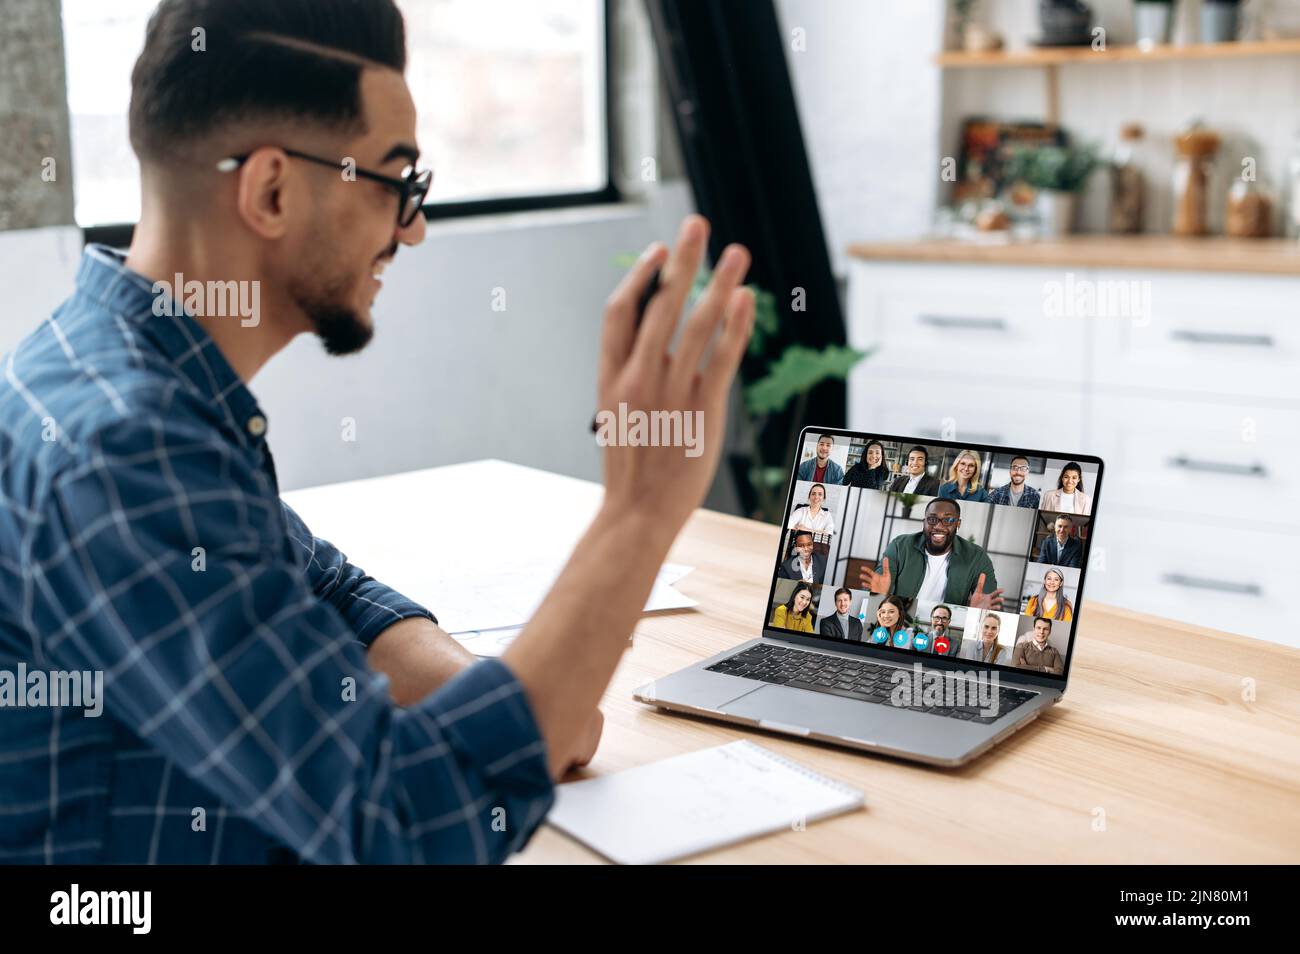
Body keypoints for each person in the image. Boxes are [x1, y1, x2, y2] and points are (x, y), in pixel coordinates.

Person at [0, 0, 757, 865]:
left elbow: (317, 588)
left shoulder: (102, 364)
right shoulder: (126, 447)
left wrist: (508, 699)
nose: (415, 227)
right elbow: (406, 827)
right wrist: (640, 512)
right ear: (272, 189)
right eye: (398, 182)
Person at [858, 499, 1004, 609]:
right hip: (901, 611)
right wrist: (877, 594)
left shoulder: (977, 557)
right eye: (932, 519)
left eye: (948, 520)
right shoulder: (899, 545)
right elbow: (875, 589)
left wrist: (976, 612)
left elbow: (990, 604)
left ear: (958, 524)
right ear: (924, 522)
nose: (939, 526)